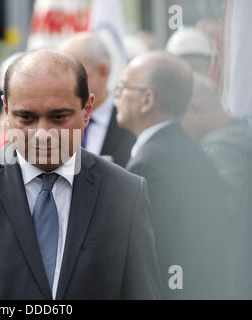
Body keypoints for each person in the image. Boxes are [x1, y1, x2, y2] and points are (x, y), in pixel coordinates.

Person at [0, 49, 162, 300]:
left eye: (58, 117)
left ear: (87, 110)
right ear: (6, 110)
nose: (43, 133)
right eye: (27, 117)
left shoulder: (125, 194)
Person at [115, 52, 227, 299]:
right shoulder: (186, 149)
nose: (117, 95)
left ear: (147, 100)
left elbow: (151, 257)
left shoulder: (150, 165)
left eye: (123, 86)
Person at [182, 74, 252, 298]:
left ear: (195, 109)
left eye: (176, 117)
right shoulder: (242, 135)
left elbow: (214, 221)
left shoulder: (219, 150)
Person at [59, 32, 136, 168]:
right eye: (59, 72)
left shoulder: (132, 123)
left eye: (72, 72)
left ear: (103, 72)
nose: (62, 80)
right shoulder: (53, 122)